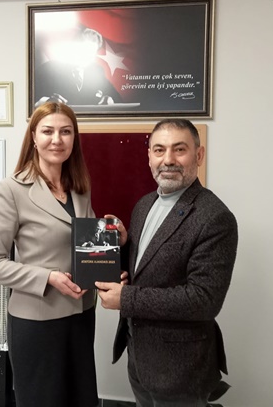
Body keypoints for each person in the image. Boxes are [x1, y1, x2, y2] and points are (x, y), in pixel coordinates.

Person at [0, 101, 125, 407]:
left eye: (65, 132)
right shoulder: (11, 190)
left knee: (81, 400)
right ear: (33, 137)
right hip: (37, 322)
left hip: (81, 316)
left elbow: (86, 248)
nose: (57, 139)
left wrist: (115, 243)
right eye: (48, 131)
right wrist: (47, 277)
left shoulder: (80, 189)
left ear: (74, 138)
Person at [96, 119, 238, 407]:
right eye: (159, 150)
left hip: (181, 368)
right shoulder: (144, 205)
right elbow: (148, 265)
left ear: (199, 155)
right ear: (149, 156)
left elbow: (203, 299)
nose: (168, 159)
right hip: (139, 359)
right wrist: (122, 248)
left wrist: (126, 298)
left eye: (179, 149)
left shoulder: (214, 217)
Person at [35, 28, 122, 107]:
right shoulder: (48, 69)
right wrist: (47, 102)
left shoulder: (97, 71)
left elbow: (117, 99)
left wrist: (110, 99)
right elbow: (31, 98)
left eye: (91, 52)